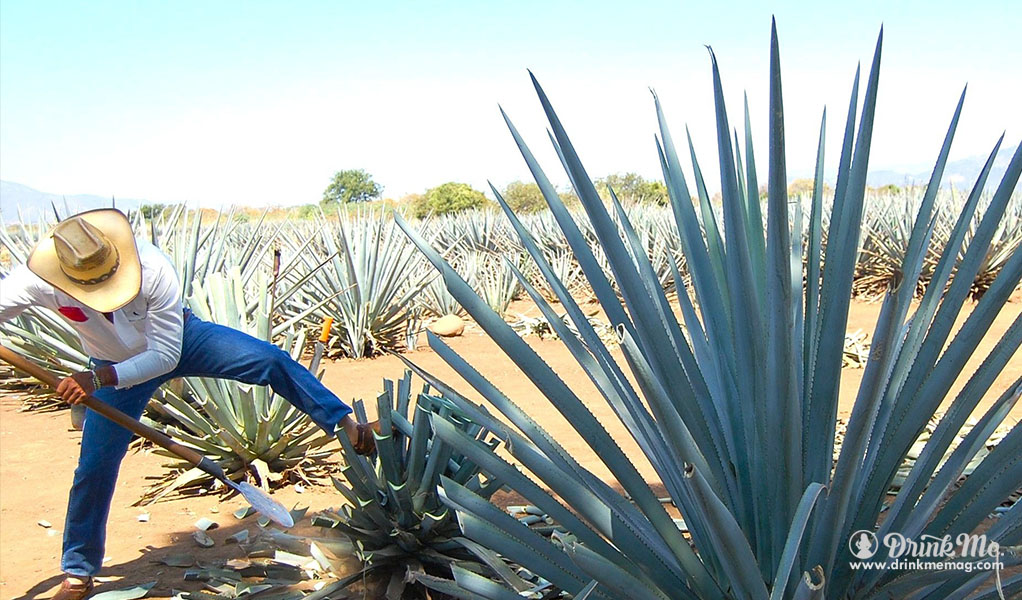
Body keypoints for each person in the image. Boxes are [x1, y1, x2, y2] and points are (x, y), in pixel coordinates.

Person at [0, 209, 377, 600]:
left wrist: (96, 380)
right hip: (110, 366)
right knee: (94, 468)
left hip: (178, 342)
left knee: (269, 360)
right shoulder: (37, 281)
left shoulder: (151, 267)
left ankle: (346, 425)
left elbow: (164, 356)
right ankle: (78, 573)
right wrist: (103, 375)